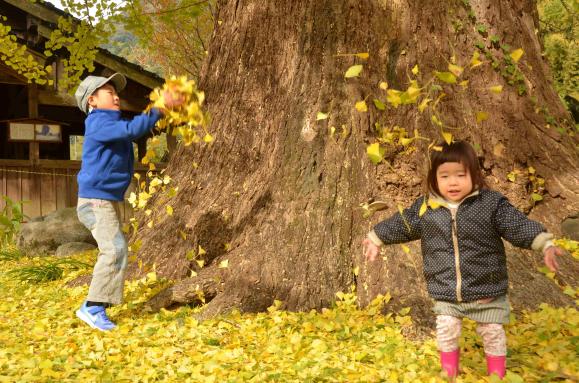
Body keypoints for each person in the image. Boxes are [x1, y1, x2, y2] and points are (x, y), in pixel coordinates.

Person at [363, 140, 564, 380]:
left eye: (461, 174)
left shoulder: (490, 204)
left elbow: (516, 225)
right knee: (446, 329)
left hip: (486, 288)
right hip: (447, 289)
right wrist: (376, 238)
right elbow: (402, 224)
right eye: (445, 176)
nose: (453, 182)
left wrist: (544, 242)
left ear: (475, 176)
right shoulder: (428, 207)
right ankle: (449, 373)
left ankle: (497, 374)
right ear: (434, 178)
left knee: (492, 332)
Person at [73, 73, 183, 331]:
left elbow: (131, 130)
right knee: (114, 249)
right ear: (92, 100)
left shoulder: (109, 123)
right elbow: (133, 129)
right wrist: (161, 106)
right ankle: (92, 307)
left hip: (102, 200)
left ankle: (99, 304)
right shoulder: (98, 122)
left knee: (117, 249)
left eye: (116, 92)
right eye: (109, 92)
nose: (116, 95)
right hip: (95, 201)